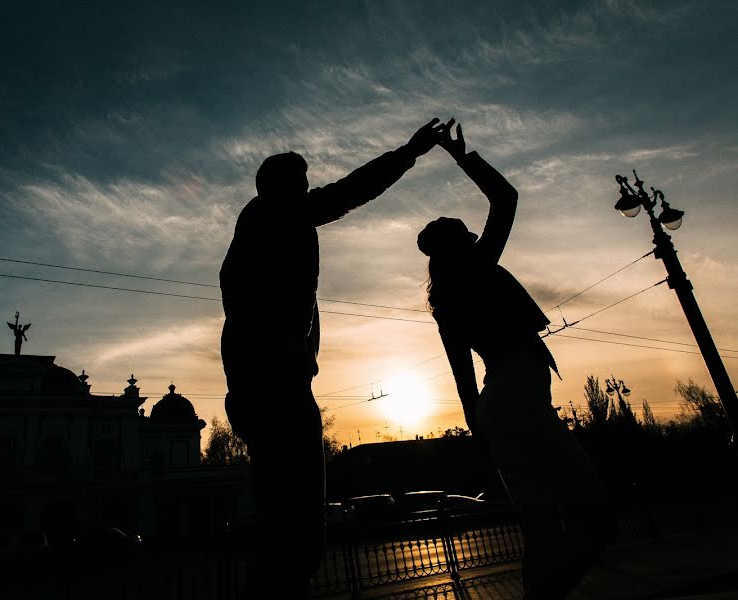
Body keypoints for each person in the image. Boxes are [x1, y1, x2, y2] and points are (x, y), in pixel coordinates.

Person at [220, 119, 445, 599]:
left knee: (287, 522)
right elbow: (349, 192)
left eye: (306, 184)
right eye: (299, 184)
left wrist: (240, 387)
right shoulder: (272, 220)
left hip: (268, 385)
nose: (307, 192)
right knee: (296, 525)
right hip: (275, 386)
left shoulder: (265, 226)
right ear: (277, 188)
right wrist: (409, 153)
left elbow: (349, 191)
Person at [416, 120, 610, 599]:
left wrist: (482, 428)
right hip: (517, 391)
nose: (474, 234)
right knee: (594, 519)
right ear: (462, 244)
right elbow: (506, 199)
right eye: (466, 232)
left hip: (493, 405)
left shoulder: (445, 303)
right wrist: (463, 157)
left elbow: (463, 378)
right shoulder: (478, 267)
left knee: (541, 529)